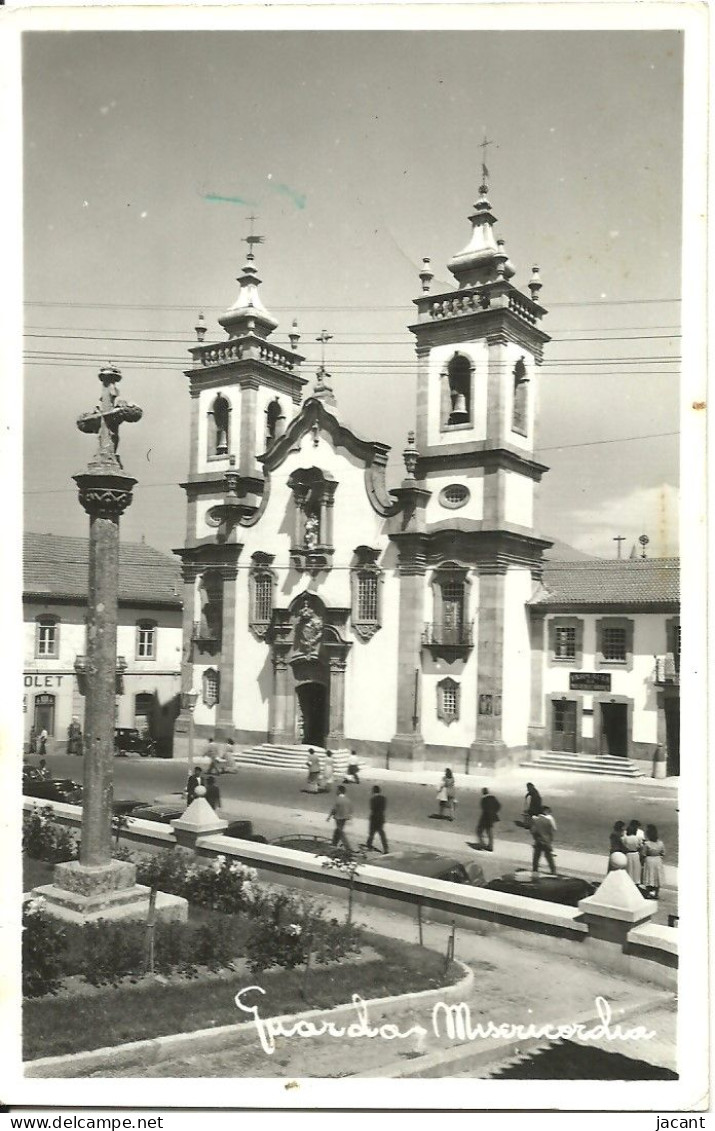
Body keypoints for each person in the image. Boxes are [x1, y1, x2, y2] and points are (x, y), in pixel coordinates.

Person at [641, 824, 666, 897]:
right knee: (657, 876)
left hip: (649, 860)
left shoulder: (647, 844)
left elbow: (643, 854)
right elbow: (663, 853)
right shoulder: (661, 843)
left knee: (649, 876)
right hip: (658, 860)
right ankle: (656, 894)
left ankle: (648, 893)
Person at [531, 807, 557, 875]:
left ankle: (535, 870)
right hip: (547, 841)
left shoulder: (536, 820)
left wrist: (536, 838)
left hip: (538, 841)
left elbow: (533, 831)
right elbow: (551, 831)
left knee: (536, 857)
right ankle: (553, 871)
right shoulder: (548, 820)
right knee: (549, 857)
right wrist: (550, 840)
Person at [327, 785, 353, 852]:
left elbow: (334, 809)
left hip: (338, 817)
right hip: (344, 818)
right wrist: (349, 817)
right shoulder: (347, 799)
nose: (336, 791)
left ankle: (348, 847)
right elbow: (350, 809)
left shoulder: (338, 799)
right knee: (338, 830)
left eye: (337, 790)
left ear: (339, 791)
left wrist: (329, 816)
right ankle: (334, 843)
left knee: (340, 831)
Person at [366, 785, 389, 853]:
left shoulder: (372, 799)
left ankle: (369, 845)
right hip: (381, 817)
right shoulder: (383, 798)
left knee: (371, 833)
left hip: (374, 818)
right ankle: (385, 848)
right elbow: (384, 808)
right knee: (381, 833)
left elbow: (372, 809)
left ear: (373, 791)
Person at [622, 819, 644, 884]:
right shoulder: (639, 836)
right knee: (636, 869)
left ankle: (627, 882)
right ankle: (636, 882)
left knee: (628, 869)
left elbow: (623, 845)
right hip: (636, 853)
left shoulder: (625, 835)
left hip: (627, 854)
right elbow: (641, 846)